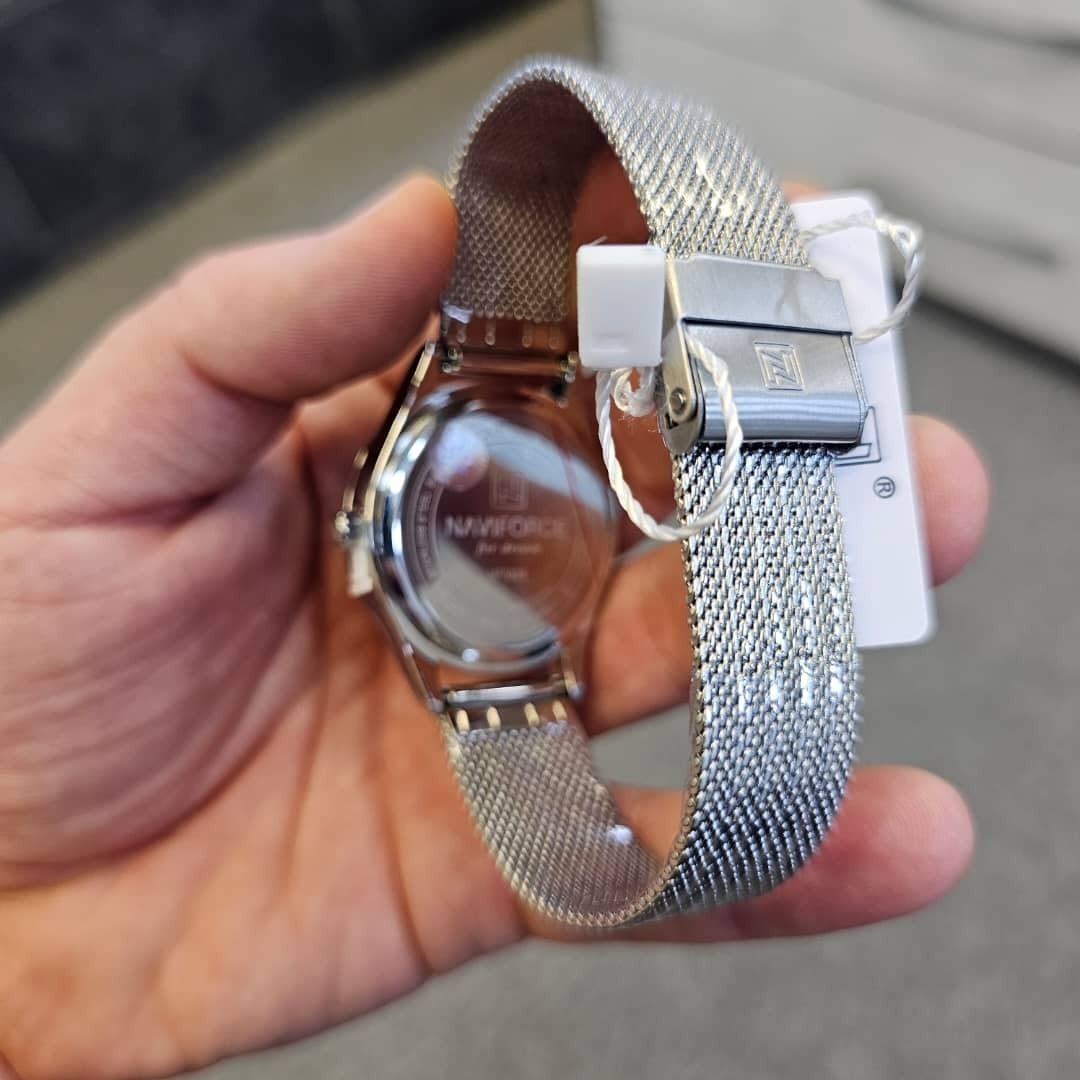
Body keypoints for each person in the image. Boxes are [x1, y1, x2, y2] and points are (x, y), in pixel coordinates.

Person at [0, 172, 989, 1080]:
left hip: (530, 601)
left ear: (361, 525)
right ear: (363, 527)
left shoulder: (498, 442)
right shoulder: (457, 453)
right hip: (496, 629)